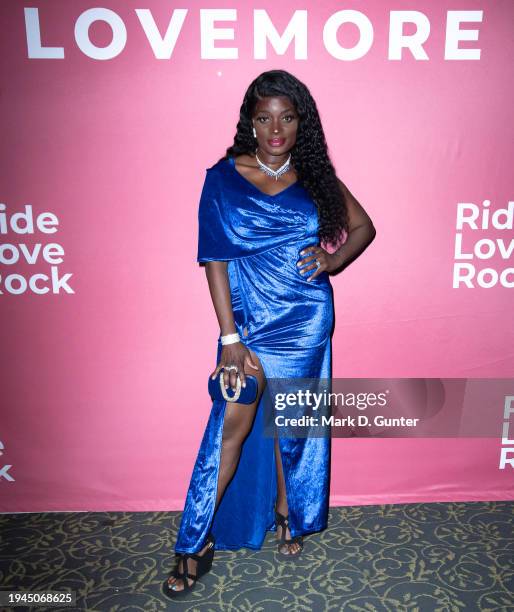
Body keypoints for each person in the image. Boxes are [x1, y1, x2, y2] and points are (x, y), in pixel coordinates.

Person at [163, 69, 376, 598]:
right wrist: (230, 338)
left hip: (304, 319)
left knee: (292, 425)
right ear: (249, 122)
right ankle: (192, 543)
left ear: (301, 122)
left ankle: (288, 510)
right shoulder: (222, 177)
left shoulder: (314, 175)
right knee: (227, 427)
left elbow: (364, 226)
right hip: (247, 328)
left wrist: (333, 259)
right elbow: (214, 259)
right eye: (264, 117)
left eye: (286, 116)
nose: (275, 128)